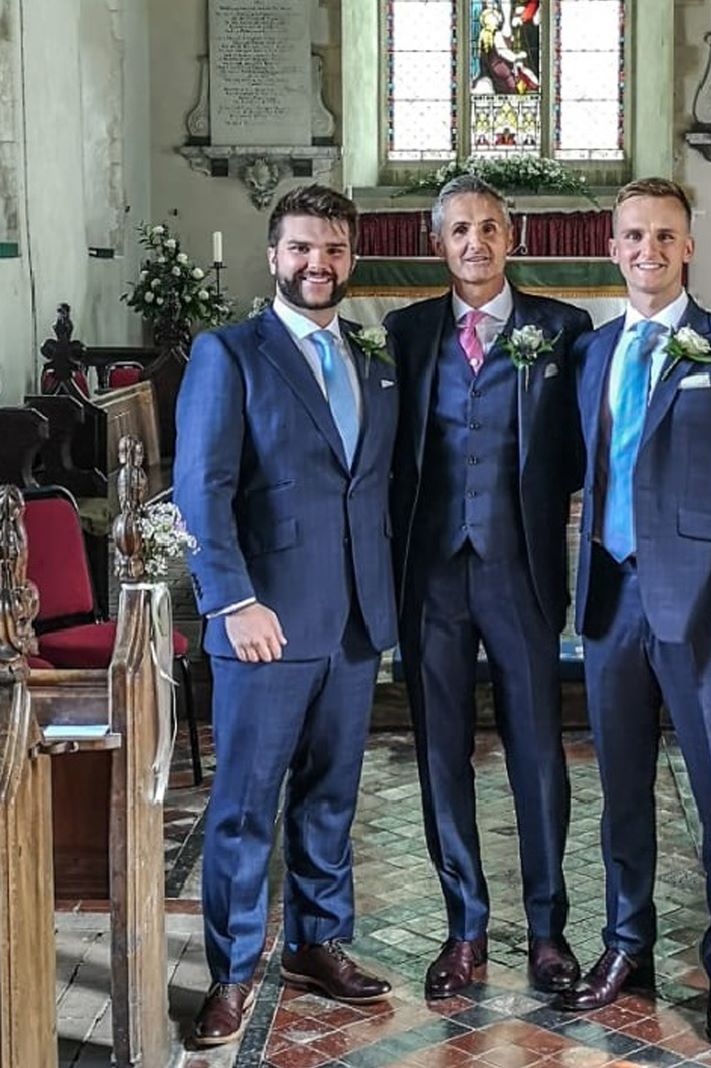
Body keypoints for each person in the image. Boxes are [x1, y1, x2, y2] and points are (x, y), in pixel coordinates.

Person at [558, 178, 711, 1046]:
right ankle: (627, 944)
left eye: (663, 235)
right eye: (631, 236)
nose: (646, 249)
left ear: (687, 245)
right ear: (612, 248)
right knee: (620, 791)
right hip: (611, 601)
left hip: (700, 613)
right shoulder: (596, 350)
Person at [174, 184, 397, 1047]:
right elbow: (203, 489)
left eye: (335, 249)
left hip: (350, 622)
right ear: (274, 256)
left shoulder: (372, 359)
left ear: (351, 256)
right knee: (243, 806)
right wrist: (232, 600)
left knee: (331, 796)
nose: (319, 264)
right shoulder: (228, 355)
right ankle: (230, 972)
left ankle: (316, 940)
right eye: (303, 248)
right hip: (262, 622)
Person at [386, 174, 592, 1000]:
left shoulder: (563, 329)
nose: (476, 242)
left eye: (490, 228)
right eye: (460, 230)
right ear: (438, 244)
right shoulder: (404, 334)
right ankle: (464, 928)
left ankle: (547, 932)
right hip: (430, 578)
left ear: (514, 237)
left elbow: (583, 446)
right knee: (443, 754)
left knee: (539, 754)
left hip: (522, 572)